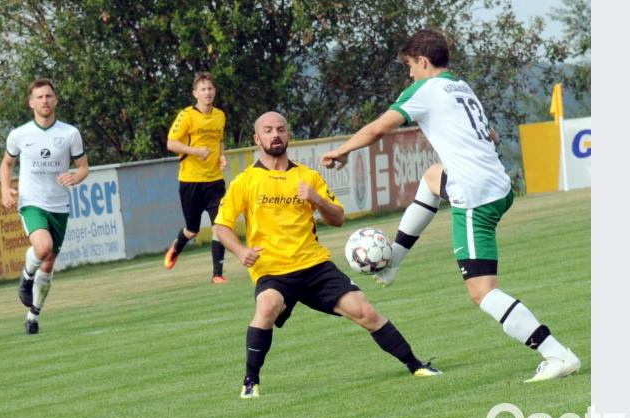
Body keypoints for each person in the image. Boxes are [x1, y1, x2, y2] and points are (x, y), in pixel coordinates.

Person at [320, 29, 580, 383]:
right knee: (432, 177)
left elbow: (379, 128)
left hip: (475, 197)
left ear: (423, 61)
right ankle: (393, 262)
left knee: (482, 292)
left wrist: (342, 151)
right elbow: (490, 135)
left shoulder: (424, 89)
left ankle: (556, 353)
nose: (409, 73)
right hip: (497, 185)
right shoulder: (460, 85)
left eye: (410, 66)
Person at [213, 111, 441, 399]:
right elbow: (221, 226)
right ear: (257, 139)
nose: (275, 135)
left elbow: (337, 218)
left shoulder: (307, 177)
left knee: (364, 310)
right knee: (268, 305)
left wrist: (317, 199)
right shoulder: (245, 181)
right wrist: (240, 250)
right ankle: (250, 381)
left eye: (280, 129)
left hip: (314, 266)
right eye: (268, 131)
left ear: (289, 135)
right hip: (272, 270)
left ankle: (416, 365)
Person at [0, 78, 89, 335]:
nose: (45, 101)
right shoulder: (20, 134)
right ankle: (26, 277)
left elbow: (83, 167)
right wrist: (5, 189)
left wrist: (75, 177)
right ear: (31, 103)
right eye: (39, 97)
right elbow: (7, 164)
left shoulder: (69, 134)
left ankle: (33, 316)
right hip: (32, 202)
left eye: (49, 96)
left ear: (56, 100)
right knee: (43, 247)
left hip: (59, 205)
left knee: (49, 263)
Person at [164, 72, 228, 283]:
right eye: (203, 89)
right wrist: (195, 151)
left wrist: (222, 156)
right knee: (192, 230)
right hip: (191, 181)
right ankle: (176, 247)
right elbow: (171, 143)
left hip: (215, 181)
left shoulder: (220, 115)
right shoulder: (187, 115)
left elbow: (219, 140)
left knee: (220, 226)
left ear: (214, 91)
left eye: (210, 88)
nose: (207, 92)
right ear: (195, 93)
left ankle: (217, 274)